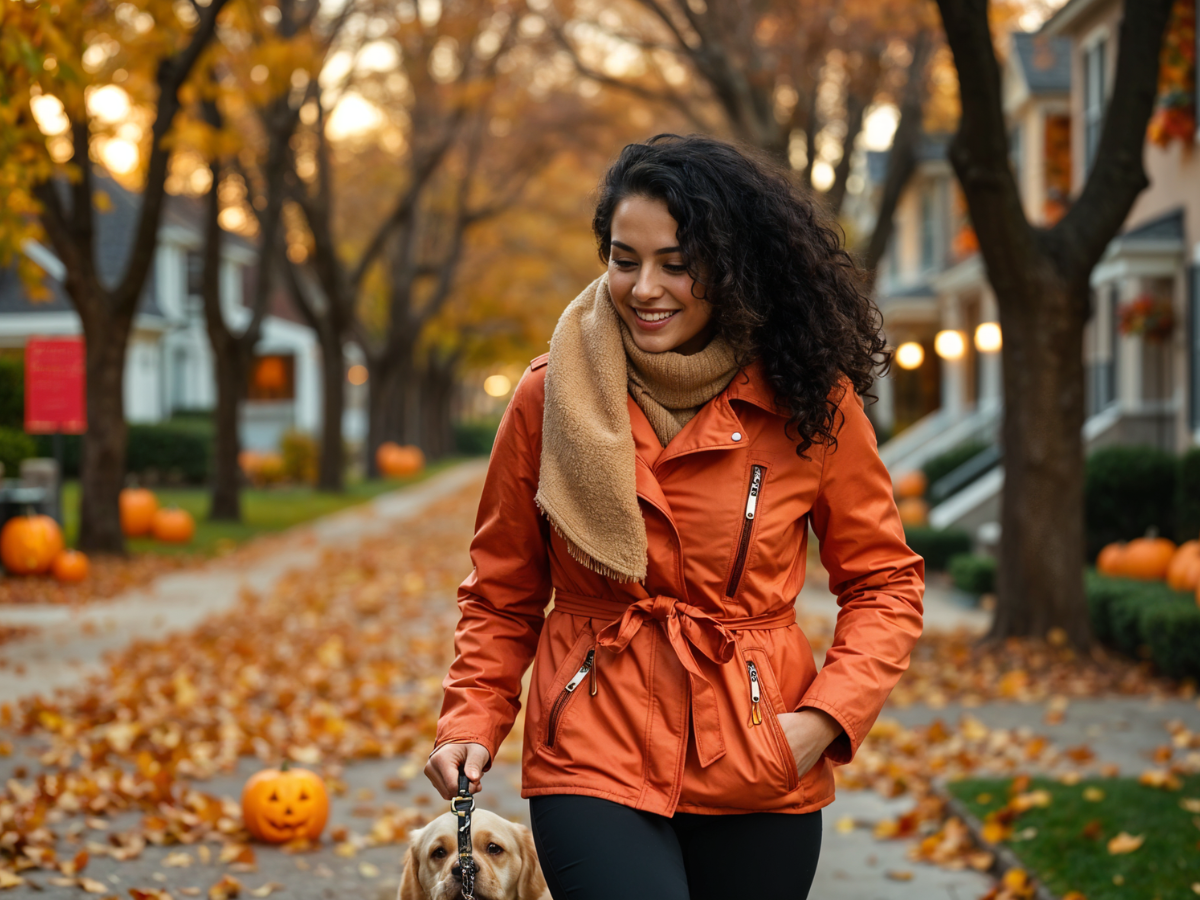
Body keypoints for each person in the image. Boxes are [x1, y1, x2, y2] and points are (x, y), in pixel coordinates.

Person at [423, 133, 924, 900]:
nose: (645, 288)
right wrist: (469, 723)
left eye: (678, 265)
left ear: (733, 269)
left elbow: (886, 582)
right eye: (625, 260)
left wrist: (824, 719)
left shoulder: (811, 401)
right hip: (592, 742)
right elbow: (501, 591)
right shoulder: (548, 397)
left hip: (760, 751)